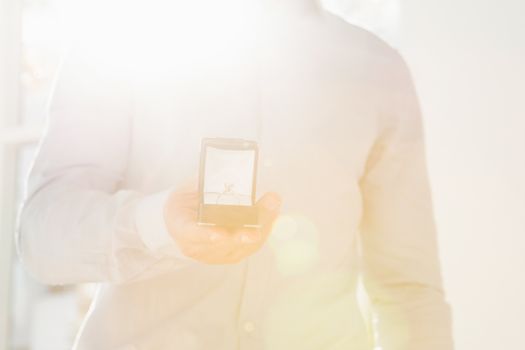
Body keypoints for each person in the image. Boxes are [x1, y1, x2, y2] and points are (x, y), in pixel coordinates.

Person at [16, 0, 454, 349]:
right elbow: (41, 238)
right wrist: (157, 224)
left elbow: (409, 289)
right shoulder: (117, 44)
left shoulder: (378, 71)